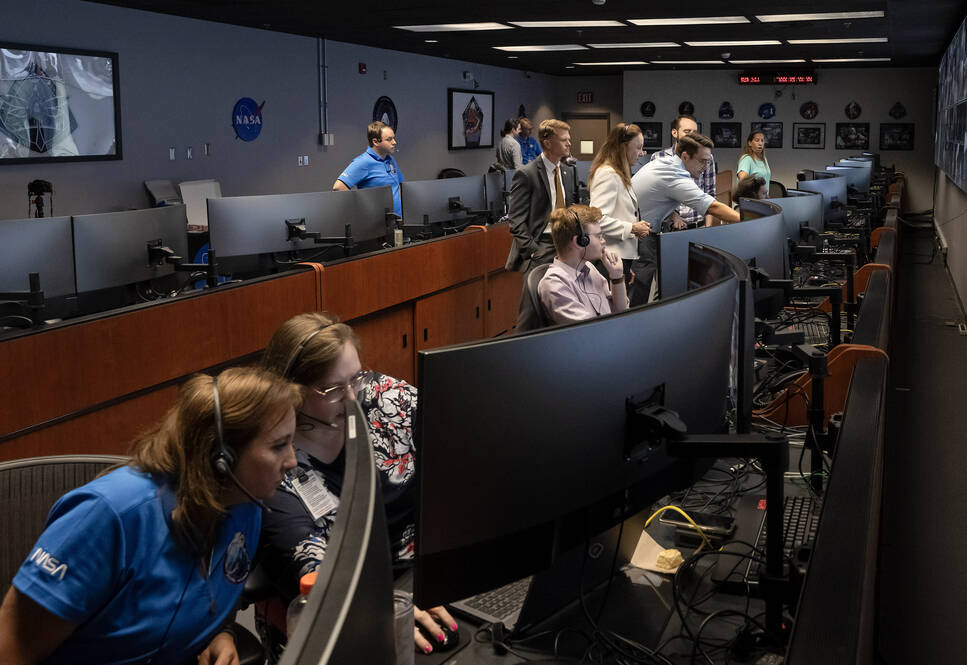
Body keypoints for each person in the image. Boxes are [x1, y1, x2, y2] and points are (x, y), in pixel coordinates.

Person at [0, 368, 302, 665]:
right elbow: (11, 649)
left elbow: (221, 588)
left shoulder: (245, 503)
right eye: (278, 446)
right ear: (220, 457)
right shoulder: (109, 515)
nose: (292, 461)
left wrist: (219, 634)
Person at [255, 313, 456, 661]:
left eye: (356, 378)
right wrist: (378, 614)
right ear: (291, 390)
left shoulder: (382, 397)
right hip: (339, 615)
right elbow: (311, 567)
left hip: (427, 579)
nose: (352, 397)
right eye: (332, 389)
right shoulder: (275, 459)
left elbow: (462, 433)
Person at [631, 133, 741, 304]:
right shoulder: (675, 175)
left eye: (708, 161)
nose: (705, 167)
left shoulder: (665, 163)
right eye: (702, 161)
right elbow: (712, 206)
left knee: (645, 289)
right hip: (639, 234)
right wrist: (747, 220)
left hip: (639, 228)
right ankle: (635, 327)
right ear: (685, 156)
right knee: (639, 292)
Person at [505, 118, 578, 331]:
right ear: (547, 142)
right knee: (530, 314)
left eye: (569, 140)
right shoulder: (527, 174)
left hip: (566, 244)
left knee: (565, 306)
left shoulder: (567, 171)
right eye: (564, 140)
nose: (568, 144)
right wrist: (532, 251)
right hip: (541, 246)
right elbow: (515, 221)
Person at [538, 204, 628, 324]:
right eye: (598, 236)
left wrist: (617, 276)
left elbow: (621, 312)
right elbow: (591, 333)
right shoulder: (555, 284)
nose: (603, 241)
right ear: (580, 241)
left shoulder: (589, 269)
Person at [587, 123, 652, 280]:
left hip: (619, 258)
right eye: (638, 147)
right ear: (623, 147)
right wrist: (632, 228)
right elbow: (597, 219)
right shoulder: (608, 174)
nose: (641, 153)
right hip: (610, 258)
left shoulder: (619, 174)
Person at [652, 115, 717, 229]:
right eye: (687, 131)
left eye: (695, 132)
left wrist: (708, 228)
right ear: (674, 133)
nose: (691, 136)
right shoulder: (659, 158)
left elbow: (710, 194)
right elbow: (657, 198)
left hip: (699, 226)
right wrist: (673, 215)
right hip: (671, 228)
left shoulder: (707, 157)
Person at [333, 121, 404, 217]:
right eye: (389, 139)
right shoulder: (363, 162)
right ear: (375, 142)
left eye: (393, 138)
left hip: (397, 219)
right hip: (376, 223)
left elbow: (399, 185)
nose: (394, 142)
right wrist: (362, 207)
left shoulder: (390, 159)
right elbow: (338, 187)